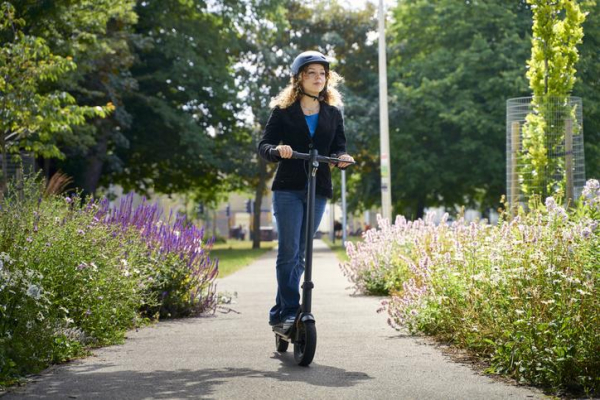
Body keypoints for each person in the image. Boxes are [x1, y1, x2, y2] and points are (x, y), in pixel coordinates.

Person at [258, 50, 354, 330]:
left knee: (301, 252)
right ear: (300, 78)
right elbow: (264, 146)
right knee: (288, 251)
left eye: (322, 73)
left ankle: (280, 310)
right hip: (288, 188)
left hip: (318, 187)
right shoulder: (283, 112)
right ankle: (289, 310)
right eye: (311, 73)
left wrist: (343, 159)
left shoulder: (333, 114)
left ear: (327, 79)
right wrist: (278, 150)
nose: (318, 78)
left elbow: (338, 148)